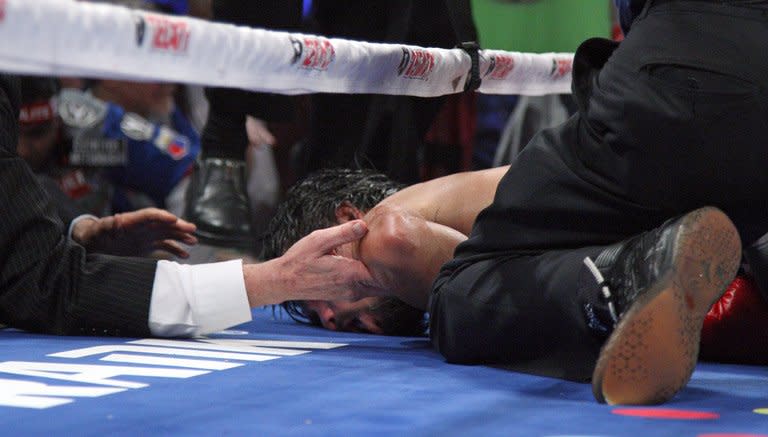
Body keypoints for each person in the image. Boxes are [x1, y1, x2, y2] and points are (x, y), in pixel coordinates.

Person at [0, 74, 383, 338]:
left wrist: (77, 229)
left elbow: (187, 170)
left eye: (37, 133)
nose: (26, 149)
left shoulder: (93, 124)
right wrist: (273, 280)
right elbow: (43, 281)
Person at [262, 167, 768, 365]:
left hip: (712, 261)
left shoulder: (380, 233)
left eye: (321, 288)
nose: (329, 318)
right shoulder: (452, 207)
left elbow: (396, 243)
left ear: (346, 220)